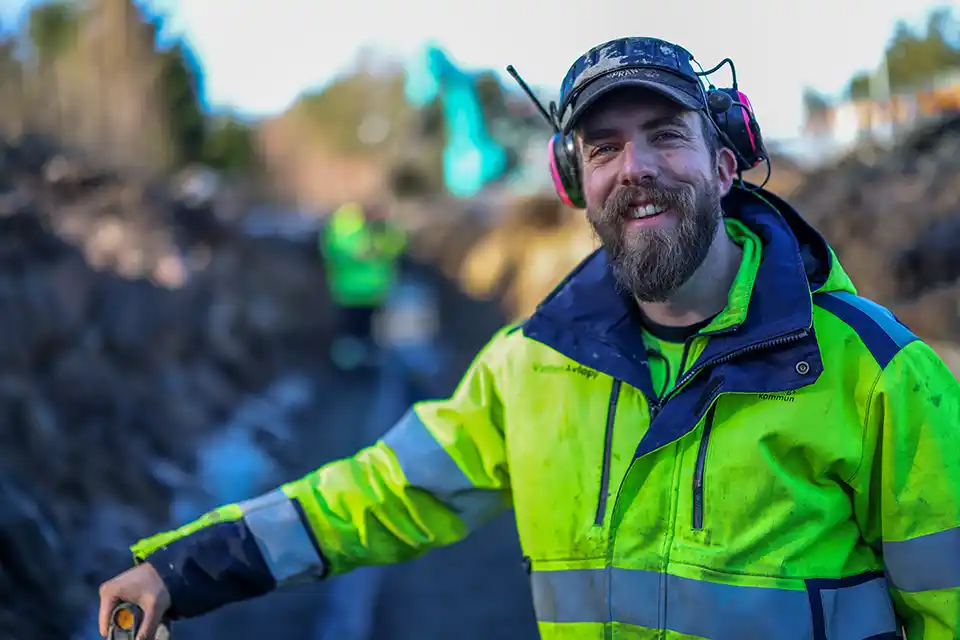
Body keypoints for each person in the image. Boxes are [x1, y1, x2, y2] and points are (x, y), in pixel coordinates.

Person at [99, 37, 960, 639]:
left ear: (726, 163)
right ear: (575, 184)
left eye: (666, 135)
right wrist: (184, 568)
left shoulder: (880, 375)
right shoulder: (532, 367)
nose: (636, 168)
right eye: (604, 148)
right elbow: (380, 492)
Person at [319, 201, 407, 370]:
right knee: (350, 332)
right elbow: (333, 249)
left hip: (375, 293)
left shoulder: (384, 229)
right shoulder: (345, 225)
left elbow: (398, 246)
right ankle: (347, 366)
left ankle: (366, 364)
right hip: (349, 292)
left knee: (370, 333)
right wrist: (358, 253)